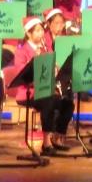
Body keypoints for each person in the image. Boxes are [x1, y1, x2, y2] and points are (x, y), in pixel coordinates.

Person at [7, 16, 74, 155]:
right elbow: (23, 75)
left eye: (41, 30)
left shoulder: (46, 48)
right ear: (28, 33)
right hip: (28, 93)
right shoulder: (21, 51)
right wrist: (36, 61)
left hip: (45, 90)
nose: (41, 33)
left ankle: (57, 137)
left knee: (68, 103)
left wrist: (55, 69)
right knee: (48, 101)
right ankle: (46, 143)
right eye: (37, 31)